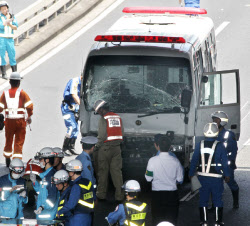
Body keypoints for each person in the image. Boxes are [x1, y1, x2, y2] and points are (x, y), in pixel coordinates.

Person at [189, 123, 230, 226]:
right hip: (216, 178)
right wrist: (227, 175)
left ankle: (204, 222)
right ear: (217, 133)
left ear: (204, 132)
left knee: (203, 199)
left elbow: (194, 160)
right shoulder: (220, 145)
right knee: (217, 200)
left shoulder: (200, 144)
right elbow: (225, 162)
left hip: (202, 177)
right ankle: (218, 222)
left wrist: (190, 173)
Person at [145, 136, 183, 225]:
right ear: (170, 147)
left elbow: (148, 178)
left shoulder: (152, 161)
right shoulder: (176, 161)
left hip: (157, 195)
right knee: (171, 220)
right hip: (172, 195)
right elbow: (180, 179)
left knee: (157, 220)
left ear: (157, 146)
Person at [0, 72, 33, 167]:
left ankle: (7, 158)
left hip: (9, 121)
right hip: (20, 121)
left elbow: (0, 108)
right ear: (19, 83)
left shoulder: (4, 94)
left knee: (8, 140)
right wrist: (29, 116)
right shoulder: (22, 94)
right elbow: (30, 106)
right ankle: (17, 161)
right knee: (19, 141)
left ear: (10, 82)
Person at [93, 99, 124, 202]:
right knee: (116, 173)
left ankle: (101, 195)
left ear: (101, 109)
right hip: (117, 148)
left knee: (103, 172)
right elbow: (121, 133)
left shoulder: (103, 119)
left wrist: (96, 147)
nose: (98, 114)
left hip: (105, 148)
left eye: (98, 111)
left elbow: (102, 136)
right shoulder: (117, 117)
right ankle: (119, 196)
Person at [212, 111, 239, 209]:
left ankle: (236, 202)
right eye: (213, 120)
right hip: (215, 164)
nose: (214, 122)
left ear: (222, 122)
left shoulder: (229, 134)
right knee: (214, 185)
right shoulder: (211, 133)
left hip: (226, 164)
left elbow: (234, 149)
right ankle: (214, 205)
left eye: (216, 120)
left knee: (231, 183)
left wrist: (232, 161)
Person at [57, 159, 95, 226]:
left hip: (77, 218)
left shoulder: (76, 186)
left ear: (72, 173)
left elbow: (71, 204)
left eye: (68, 172)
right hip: (88, 217)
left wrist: (60, 212)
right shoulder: (87, 182)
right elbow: (94, 198)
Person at [31, 147, 59, 220]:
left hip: (48, 217)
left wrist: (42, 207)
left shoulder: (51, 176)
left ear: (47, 160)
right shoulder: (46, 175)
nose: (39, 161)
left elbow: (52, 198)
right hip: (42, 216)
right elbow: (41, 193)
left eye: (41, 159)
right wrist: (34, 182)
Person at [61, 76, 82, 155]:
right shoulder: (75, 81)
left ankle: (71, 147)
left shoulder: (85, 82)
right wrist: (82, 106)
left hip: (75, 108)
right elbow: (74, 95)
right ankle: (65, 147)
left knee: (76, 128)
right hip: (67, 107)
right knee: (71, 127)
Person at [0, 1, 18, 79]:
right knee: (2, 56)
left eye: (5, 8)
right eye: (2, 9)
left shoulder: (12, 17)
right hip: (2, 39)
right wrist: (6, 21)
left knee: (12, 55)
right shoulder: (0, 17)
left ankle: (15, 73)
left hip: (10, 39)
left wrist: (9, 22)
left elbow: (15, 27)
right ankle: (4, 74)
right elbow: (1, 26)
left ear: (7, 8)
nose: (4, 10)